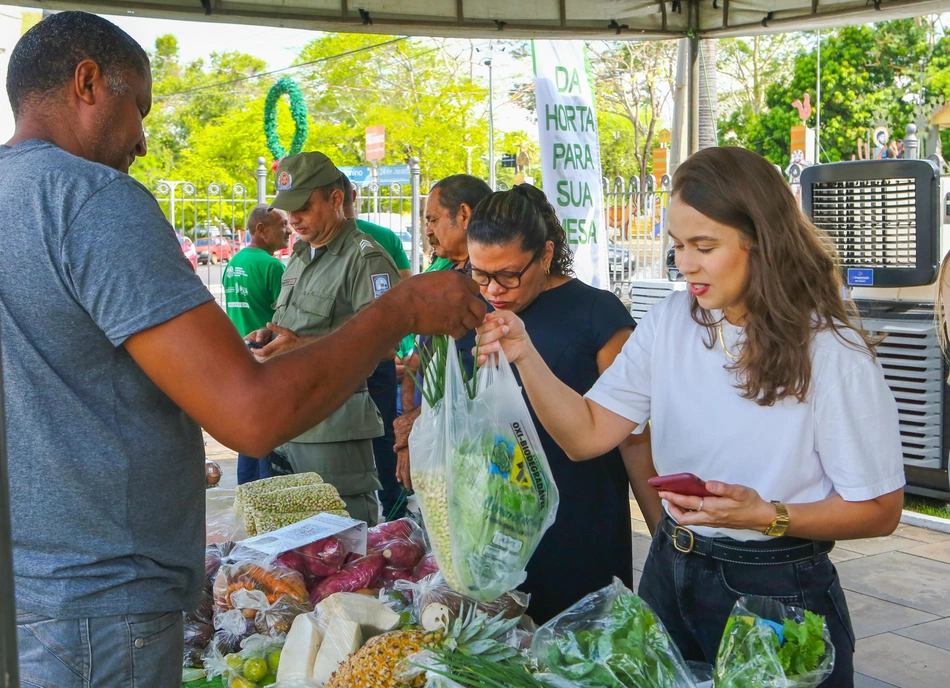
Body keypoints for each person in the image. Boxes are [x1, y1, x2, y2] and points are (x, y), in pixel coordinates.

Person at [1, 13, 484, 688]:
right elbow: (249, 416)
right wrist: (398, 310)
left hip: (27, 593)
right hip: (98, 608)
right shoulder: (89, 200)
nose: (141, 141)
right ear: (88, 82)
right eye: (138, 107)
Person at [477, 147, 905, 686]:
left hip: (775, 589)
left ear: (760, 239)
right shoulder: (670, 322)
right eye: (678, 245)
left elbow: (880, 509)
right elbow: (586, 434)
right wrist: (524, 354)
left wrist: (765, 515)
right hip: (669, 570)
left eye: (704, 246)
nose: (685, 264)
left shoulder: (831, 350)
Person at [464, 184, 659, 624]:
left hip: (579, 526)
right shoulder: (467, 312)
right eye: (479, 273)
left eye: (509, 274)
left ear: (546, 254)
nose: (494, 289)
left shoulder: (597, 315)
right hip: (492, 528)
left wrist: (664, 538)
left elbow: (635, 440)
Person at [247, 151, 403, 526]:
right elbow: (297, 324)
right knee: (294, 553)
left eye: (303, 206)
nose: (293, 218)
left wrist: (303, 347)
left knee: (340, 547)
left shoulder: (365, 259)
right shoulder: (299, 255)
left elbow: (386, 345)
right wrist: (269, 334)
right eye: (289, 209)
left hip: (334, 431)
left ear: (336, 200)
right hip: (288, 419)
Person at [394, 174, 492, 485]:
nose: (428, 230)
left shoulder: (492, 286)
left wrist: (418, 421)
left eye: (433, 219)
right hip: (432, 439)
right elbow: (418, 358)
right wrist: (410, 428)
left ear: (463, 215)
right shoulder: (442, 275)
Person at [341, 174, 409, 518]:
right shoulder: (385, 237)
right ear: (353, 195)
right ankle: (394, 508)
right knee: (382, 433)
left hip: (337, 362)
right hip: (378, 355)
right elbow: (405, 295)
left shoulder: (318, 245)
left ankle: (366, 514)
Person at [223, 203, 292, 484]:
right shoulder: (272, 266)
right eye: (282, 225)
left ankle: (246, 490)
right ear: (261, 230)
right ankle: (266, 492)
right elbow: (287, 317)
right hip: (267, 357)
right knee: (269, 438)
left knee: (248, 433)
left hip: (240, 355)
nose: (289, 230)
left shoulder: (234, 264)